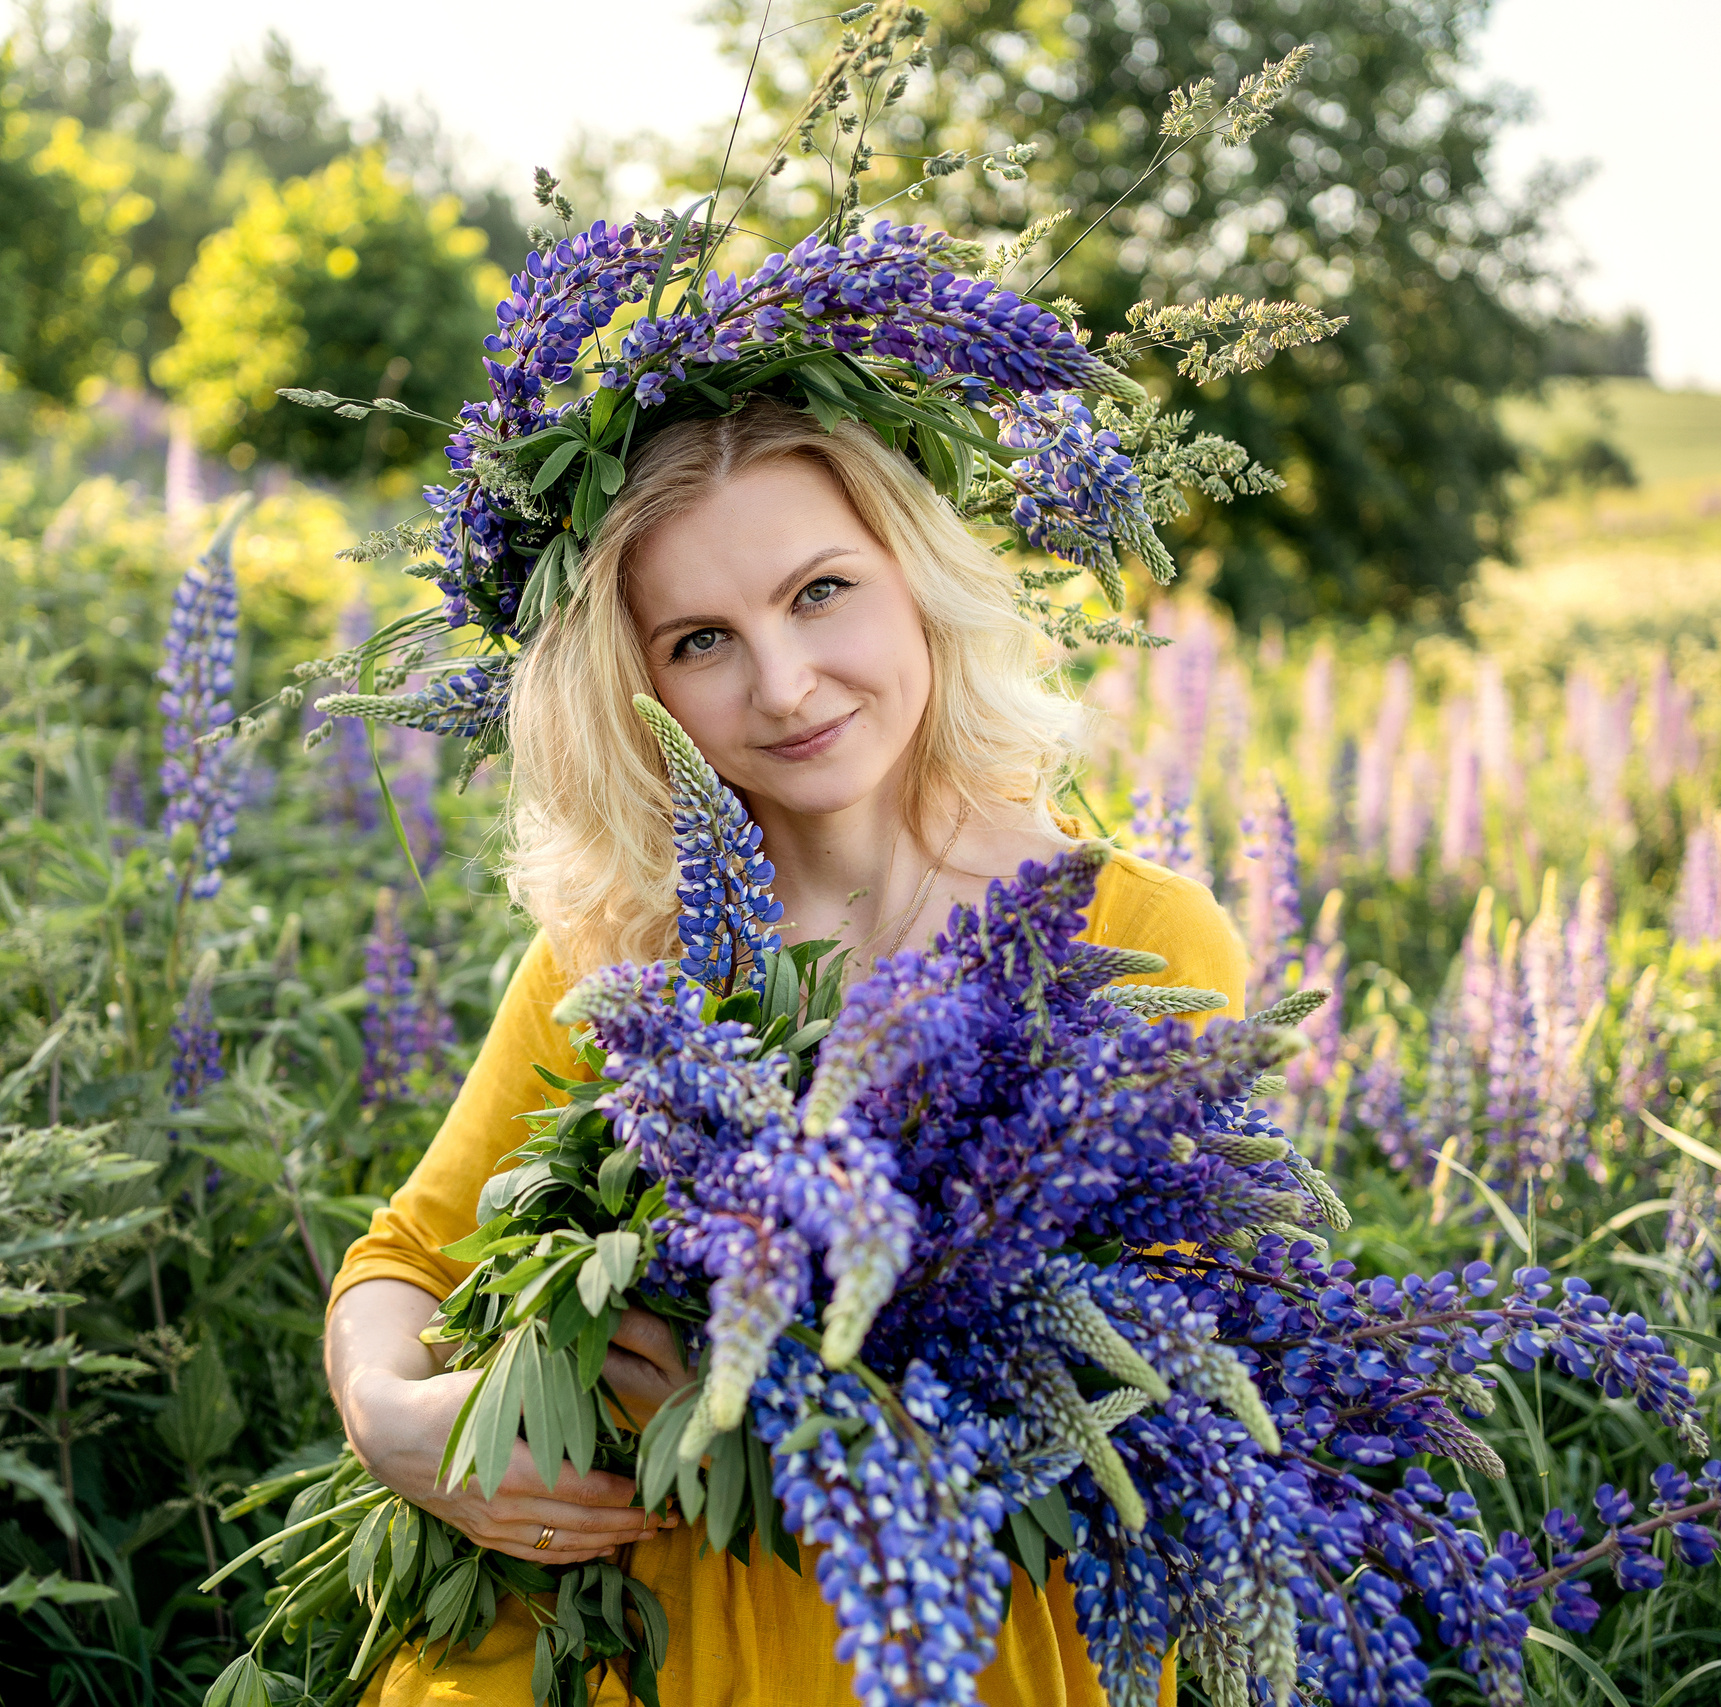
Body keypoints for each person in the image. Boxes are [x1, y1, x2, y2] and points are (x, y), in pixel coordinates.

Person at [322, 400, 1251, 1705]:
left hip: (956, 1643)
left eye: (821, 591)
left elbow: (1185, 1387)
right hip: (606, 1644)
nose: (784, 682)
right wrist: (392, 1420)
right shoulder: (619, 946)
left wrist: (780, 1391)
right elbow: (409, 1258)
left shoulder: (1144, 943)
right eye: (703, 640)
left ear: (917, 578)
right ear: (639, 689)